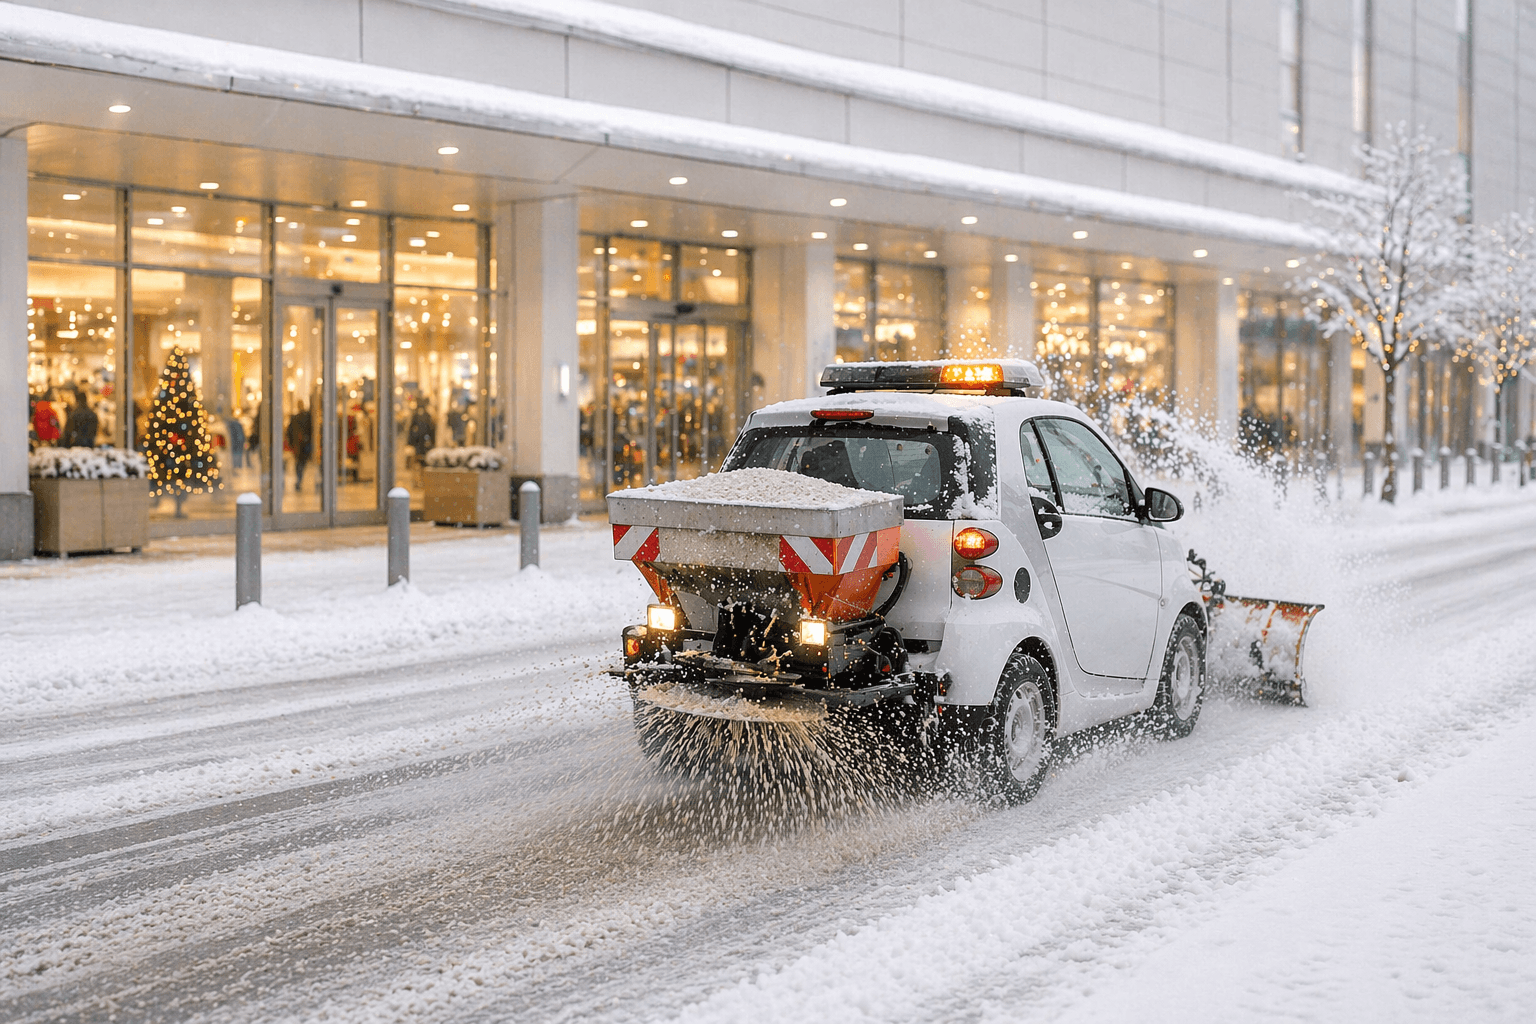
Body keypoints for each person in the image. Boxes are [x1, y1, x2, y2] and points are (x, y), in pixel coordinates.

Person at [287, 403, 314, 490]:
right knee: (301, 463)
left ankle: (299, 479)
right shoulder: (301, 418)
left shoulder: (304, 417)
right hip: (300, 445)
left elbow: (289, 432)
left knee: (300, 463)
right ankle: (299, 479)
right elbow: (290, 432)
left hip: (301, 445)